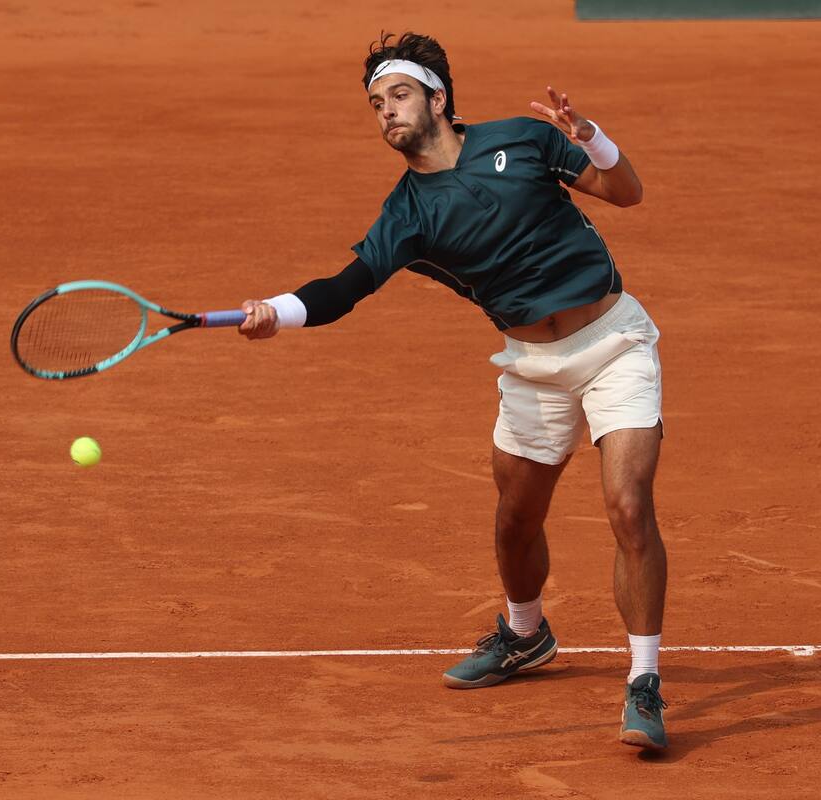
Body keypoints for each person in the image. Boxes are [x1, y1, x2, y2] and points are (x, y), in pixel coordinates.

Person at [236, 32, 669, 752]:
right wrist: (274, 313)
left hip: (615, 343)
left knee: (628, 505)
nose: (385, 112)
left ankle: (644, 683)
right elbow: (345, 289)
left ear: (438, 99)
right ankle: (525, 636)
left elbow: (627, 192)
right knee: (513, 523)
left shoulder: (526, 140)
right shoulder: (408, 213)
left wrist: (590, 138)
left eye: (398, 95)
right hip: (532, 368)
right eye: (375, 104)